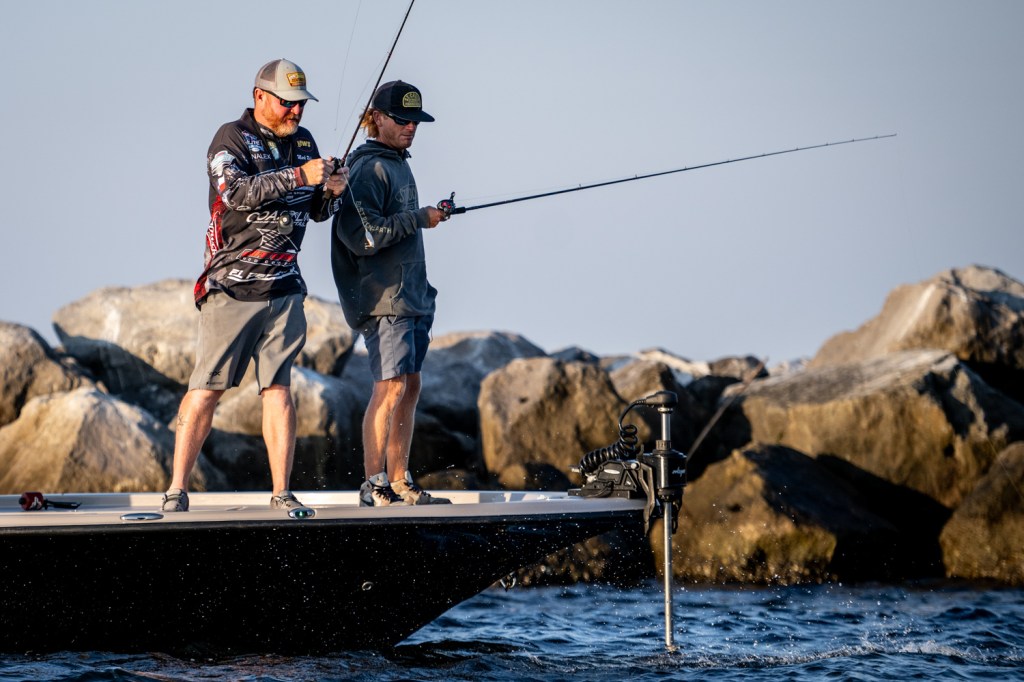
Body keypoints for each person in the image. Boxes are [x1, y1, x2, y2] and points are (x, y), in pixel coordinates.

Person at [161, 58, 349, 512]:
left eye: (301, 104)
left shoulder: (304, 142)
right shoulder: (231, 138)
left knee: (279, 390)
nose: (296, 111)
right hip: (231, 288)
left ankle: (282, 493)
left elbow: (316, 211)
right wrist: (301, 176)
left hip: (285, 290)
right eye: (287, 103)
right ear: (259, 96)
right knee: (207, 389)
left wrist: (332, 192)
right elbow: (236, 193)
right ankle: (176, 490)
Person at [330, 80, 451, 506]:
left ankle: (400, 481)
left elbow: (398, 223)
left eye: (415, 121)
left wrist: (426, 216)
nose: (410, 127)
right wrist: (419, 218)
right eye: (401, 119)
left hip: (412, 296)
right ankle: (374, 484)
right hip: (384, 300)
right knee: (390, 386)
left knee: (410, 385)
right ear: (376, 118)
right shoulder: (368, 169)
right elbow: (362, 236)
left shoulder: (399, 163)